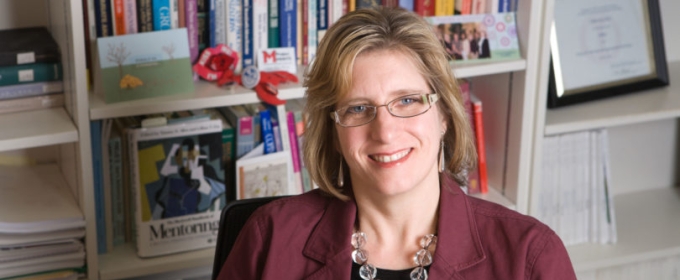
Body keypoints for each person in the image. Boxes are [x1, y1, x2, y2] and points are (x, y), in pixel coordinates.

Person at [217, 7, 576, 280]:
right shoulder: (270, 239)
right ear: (333, 132)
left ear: (445, 116)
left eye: (407, 100)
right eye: (358, 108)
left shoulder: (530, 257)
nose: (385, 132)